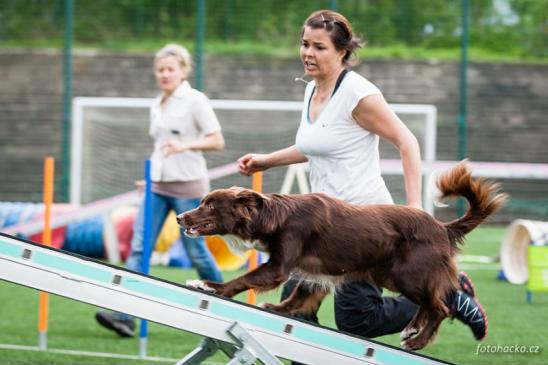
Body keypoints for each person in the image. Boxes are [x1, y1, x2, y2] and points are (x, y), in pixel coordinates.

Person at [238, 9, 487, 355]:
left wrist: (413, 205)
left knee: (358, 319)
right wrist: (266, 159)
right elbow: (314, 146)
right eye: (304, 44)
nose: (308, 53)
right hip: (319, 226)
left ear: (342, 51)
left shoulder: (358, 93)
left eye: (319, 47)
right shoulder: (312, 90)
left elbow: (406, 140)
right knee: (294, 311)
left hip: (362, 228)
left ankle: (447, 295)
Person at [96, 43, 225, 337]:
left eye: (170, 69)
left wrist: (185, 145)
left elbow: (217, 140)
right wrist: (151, 177)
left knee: (196, 250)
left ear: (183, 70)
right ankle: (125, 316)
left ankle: (226, 303)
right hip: (157, 186)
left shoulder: (195, 100)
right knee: (140, 248)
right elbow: (161, 147)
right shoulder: (158, 103)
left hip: (188, 187)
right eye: (160, 70)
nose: (165, 74)